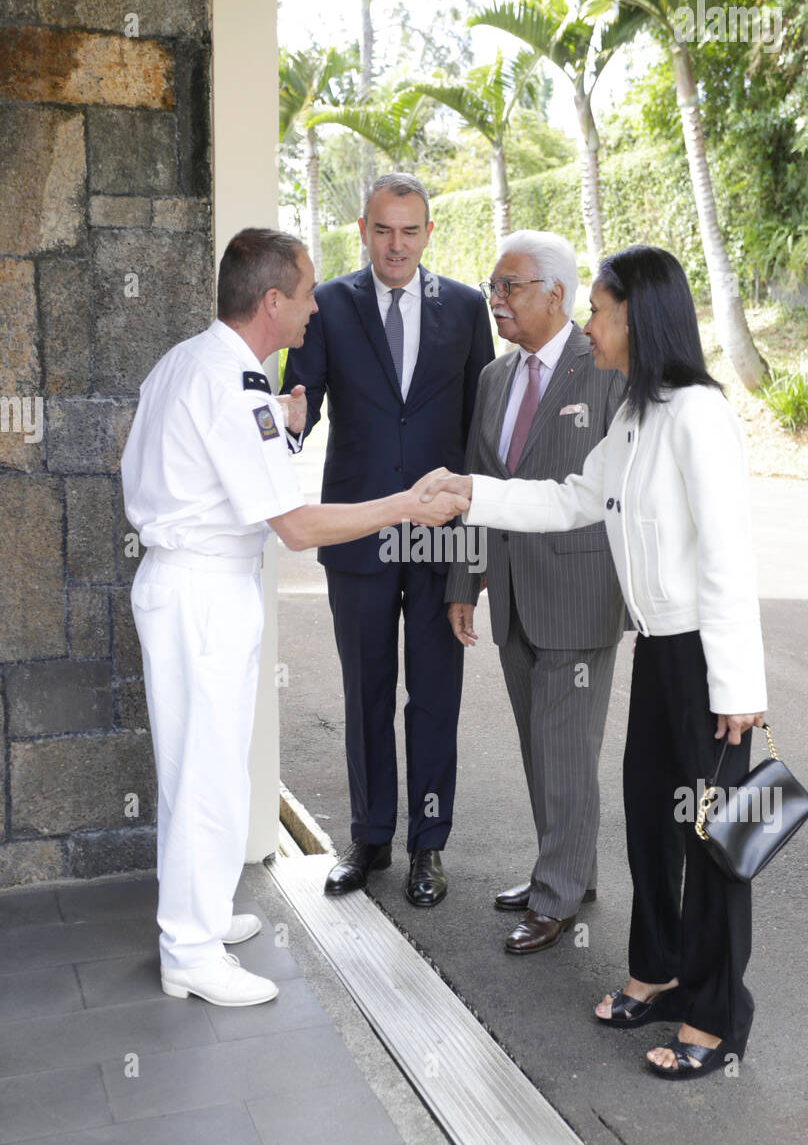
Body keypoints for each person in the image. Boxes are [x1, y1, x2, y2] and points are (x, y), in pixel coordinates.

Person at [423, 245, 767, 1078]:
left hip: (702, 664)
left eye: (601, 312)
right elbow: (572, 498)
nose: (590, 324)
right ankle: (658, 972)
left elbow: (728, 556)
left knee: (718, 841)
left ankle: (718, 1019)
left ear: (638, 319)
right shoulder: (637, 415)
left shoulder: (697, 413)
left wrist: (739, 687)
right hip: (656, 648)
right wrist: (475, 492)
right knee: (651, 821)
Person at [121, 228, 467, 1008]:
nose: (316, 308)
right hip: (204, 590)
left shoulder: (192, 363)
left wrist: (277, 420)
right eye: (307, 294)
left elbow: (157, 460)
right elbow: (298, 526)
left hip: (187, 580)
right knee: (203, 770)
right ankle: (189, 952)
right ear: (272, 301)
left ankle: (200, 915)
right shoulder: (233, 385)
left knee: (197, 764)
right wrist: (407, 504)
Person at [282, 173, 494, 907]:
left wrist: (476, 554)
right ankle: (370, 838)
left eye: (409, 230)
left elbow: (480, 435)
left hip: (440, 538)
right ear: (362, 230)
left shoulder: (466, 309)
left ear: (428, 233)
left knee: (434, 695)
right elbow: (297, 407)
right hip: (360, 531)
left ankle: (428, 848)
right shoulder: (330, 306)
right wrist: (267, 421)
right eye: (382, 230)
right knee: (366, 689)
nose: (395, 244)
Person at [445, 231, 626, 954]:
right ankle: (566, 869)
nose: (496, 299)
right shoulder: (494, 378)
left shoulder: (607, 369)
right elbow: (474, 483)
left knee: (566, 745)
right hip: (513, 593)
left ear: (557, 292)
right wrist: (464, 580)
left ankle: (557, 896)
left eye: (510, 286)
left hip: (581, 591)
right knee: (538, 742)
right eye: (493, 286)